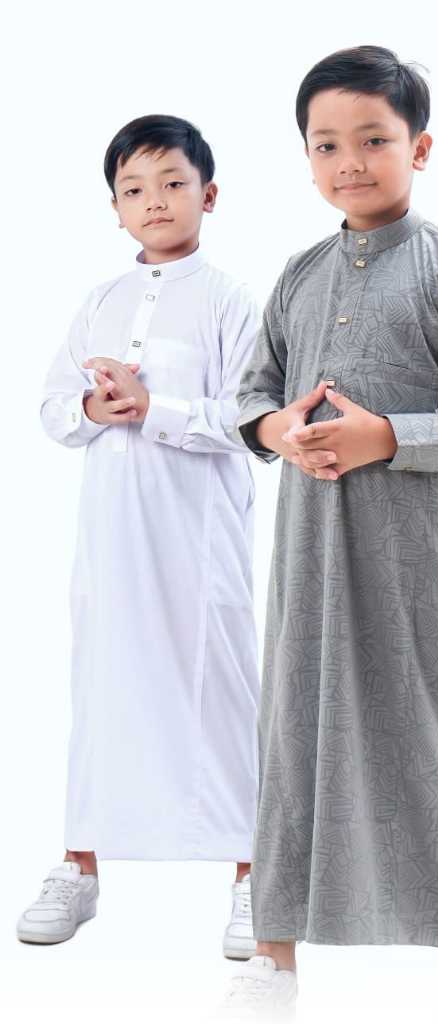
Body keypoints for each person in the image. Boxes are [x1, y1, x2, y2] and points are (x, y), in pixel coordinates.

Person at [223, 46, 438, 1018]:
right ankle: (274, 947)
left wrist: (388, 435)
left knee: (436, 726)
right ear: (306, 157)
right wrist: (276, 432)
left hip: (424, 552)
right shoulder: (299, 273)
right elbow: (253, 394)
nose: (350, 161)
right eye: (327, 144)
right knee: (295, 722)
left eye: (374, 140)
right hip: (311, 550)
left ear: (419, 147)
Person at [23, 114, 262, 959]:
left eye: (171, 183)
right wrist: (97, 406)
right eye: (133, 188)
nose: (154, 201)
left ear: (209, 194)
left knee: (220, 684)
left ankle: (253, 872)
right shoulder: (101, 301)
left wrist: (152, 407)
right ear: (115, 208)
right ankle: (80, 864)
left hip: (199, 530)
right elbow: (55, 409)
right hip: (111, 530)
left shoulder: (229, 299)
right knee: (103, 685)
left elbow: (250, 419)